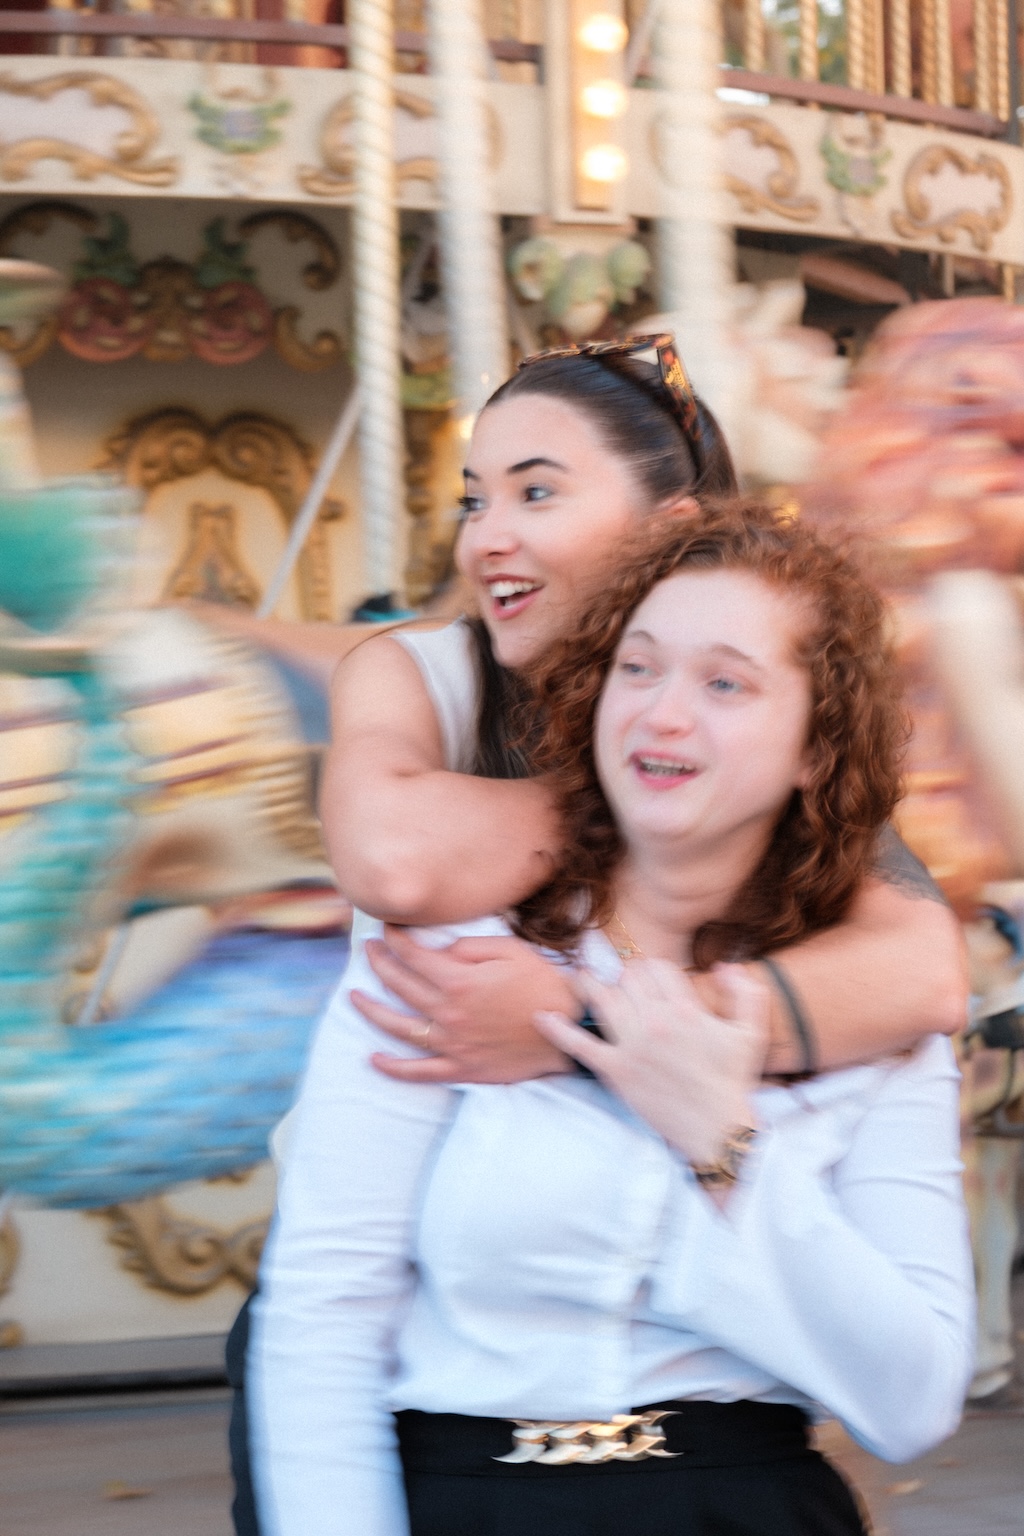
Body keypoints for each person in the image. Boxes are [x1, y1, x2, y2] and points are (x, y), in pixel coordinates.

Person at [224, 337, 964, 1535]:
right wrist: (630, 832)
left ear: (664, 523)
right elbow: (395, 858)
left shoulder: (835, 940)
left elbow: (926, 971)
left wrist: (611, 1039)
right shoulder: (426, 683)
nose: (487, 535)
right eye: (475, 499)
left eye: (537, 491)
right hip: (437, 1419)